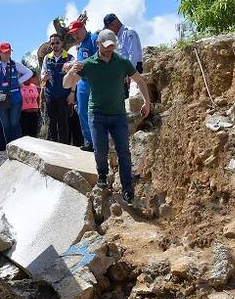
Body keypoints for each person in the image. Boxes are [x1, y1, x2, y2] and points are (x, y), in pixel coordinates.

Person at [63, 29, 152, 203]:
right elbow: (66, 84)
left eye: (111, 47)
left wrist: (147, 102)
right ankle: (102, 174)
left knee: (124, 153)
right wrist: (71, 71)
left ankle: (127, 189)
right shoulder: (88, 64)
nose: (108, 51)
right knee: (100, 150)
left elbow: (140, 81)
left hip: (118, 115)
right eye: (105, 47)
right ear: (97, 44)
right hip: (96, 115)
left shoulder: (122, 62)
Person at [0, 42, 33, 144]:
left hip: (15, 97)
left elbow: (29, 72)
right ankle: (10, 148)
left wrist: (18, 81)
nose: (8, 54)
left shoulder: (15, 64)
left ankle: (19, 147)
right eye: (5, 52)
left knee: (14, 123)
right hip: (0, 98)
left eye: (9, 52)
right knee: (6, 125)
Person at [66, 19, 98, 151]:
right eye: (73, 34)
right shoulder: (79, 46)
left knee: (95, 113)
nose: (75, 36)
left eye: (77, 32)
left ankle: (98, 141)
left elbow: (100, 56)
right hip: (82, 82)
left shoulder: (93, 39)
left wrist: (85, 63)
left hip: (95, 82)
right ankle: (89, 142)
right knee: (82, 111)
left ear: (83, 28)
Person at [41, 33, 74, 144]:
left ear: (62, 43)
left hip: (64, 95)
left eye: (57, 43)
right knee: (52, 123)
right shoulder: (47, 58)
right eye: (52, 43)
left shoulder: (69, 57)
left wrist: (72, 93)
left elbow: (75, 76)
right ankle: (54, 145)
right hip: (50, 95)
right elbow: (42, 75)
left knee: (63, 123)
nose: (55, 45)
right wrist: (44, 77)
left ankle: (65, 146)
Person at [103, 14, 144, 98]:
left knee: (135, 97)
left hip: (133, 69)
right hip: (124, 71)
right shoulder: (118, 36)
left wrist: (130, 73)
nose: (109, 30)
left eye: (109, 27)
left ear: (113, 24)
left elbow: (133, 54)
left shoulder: (128, 32)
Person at [20, 72, 41, 138]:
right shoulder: (19, 87)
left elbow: (37, 97)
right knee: (25, 135)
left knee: (34, 134)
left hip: (34, 114)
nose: (28, 78)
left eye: (29, 77)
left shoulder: (34, 86)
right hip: (24, 114)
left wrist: (38, 108)